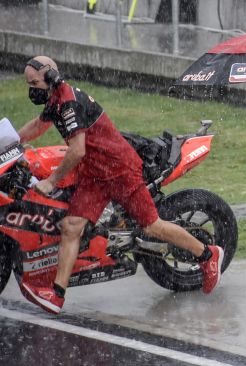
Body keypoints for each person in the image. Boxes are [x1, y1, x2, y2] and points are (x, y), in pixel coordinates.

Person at [18, 56, 223, 314]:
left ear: (49, 77)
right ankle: (56, 295)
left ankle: (207, 254)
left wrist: (51, 181)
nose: (32, 89)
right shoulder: (56, 99)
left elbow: (77, 150)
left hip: (119, 170)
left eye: (35, 83)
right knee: (71, 227)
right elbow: (38, 126)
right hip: (95, 174)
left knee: (153, 226)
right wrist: (10, 141)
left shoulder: (69, 103)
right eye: (29, 84)